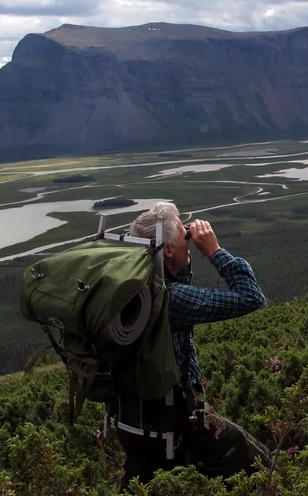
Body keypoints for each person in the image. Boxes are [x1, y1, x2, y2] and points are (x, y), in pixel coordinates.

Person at [111, 201, 268, 490]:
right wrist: (215, 251)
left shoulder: (131, 291)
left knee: (144, 479)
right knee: (257, 464)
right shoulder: (171, 300)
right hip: (175, 421)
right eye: (183, 233)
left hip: (133, 421)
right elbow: (251, 296)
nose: (190, 235)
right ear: (168, 249)